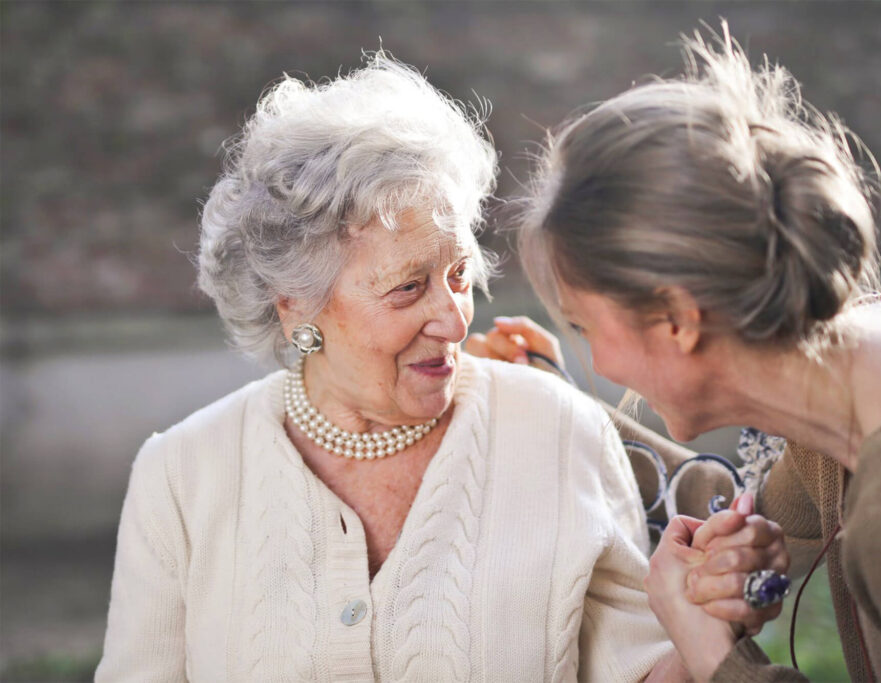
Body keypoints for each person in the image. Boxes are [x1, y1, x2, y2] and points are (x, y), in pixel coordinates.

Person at [96, 53, 714, 682]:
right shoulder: (180, 476)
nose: (453, 320)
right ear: (296, 306)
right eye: (408, 287)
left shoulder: (560, 431)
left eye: (458, 274)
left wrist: (705, 622)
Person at [479, 25, 881, 683]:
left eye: (583, 324)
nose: (601, 361)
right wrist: (555, 404)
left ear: (678, 319)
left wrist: (715, 654)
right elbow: (749, 509)